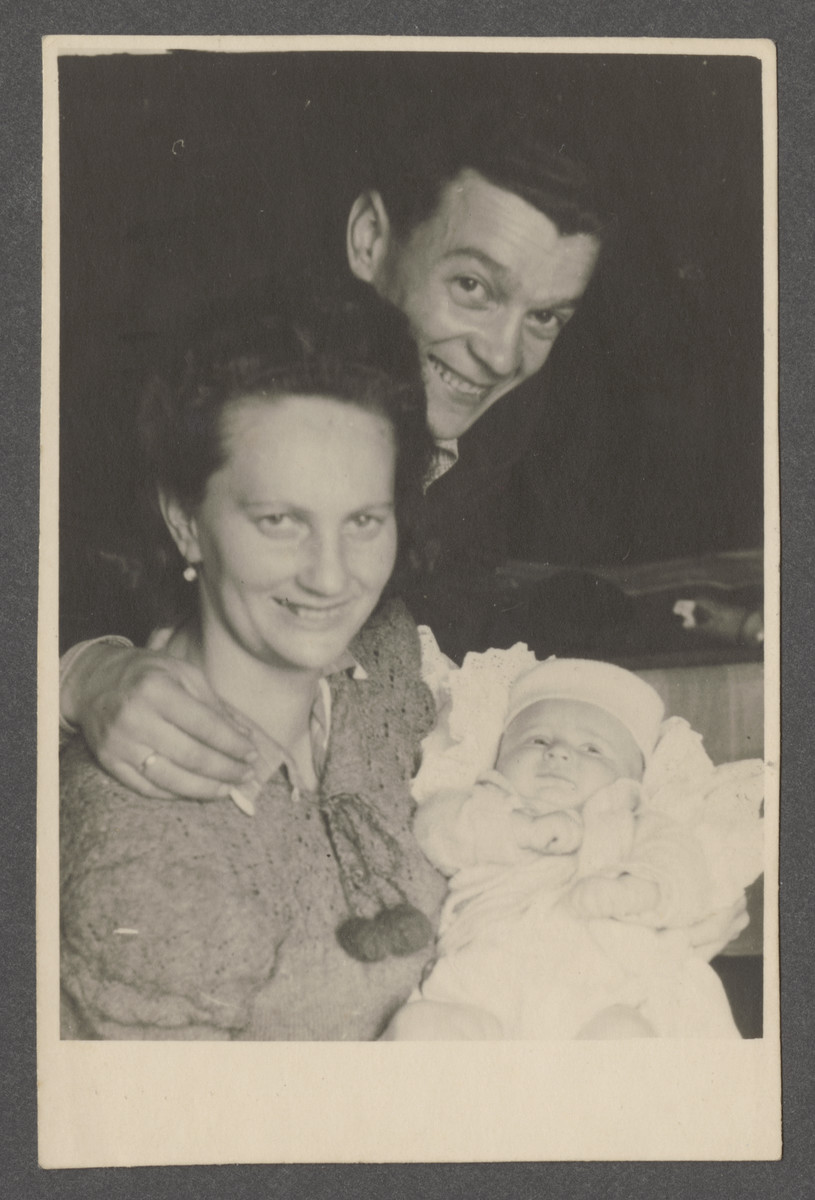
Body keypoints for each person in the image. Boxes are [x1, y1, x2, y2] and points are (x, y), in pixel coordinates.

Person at [59, 108, 618, 803]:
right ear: (370, 240)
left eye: (544, 317)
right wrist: (84, 674)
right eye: (472, 287)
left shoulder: (502, 413)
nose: (502, 356)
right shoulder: (188, 377)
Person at [60, 292, 450, 1040]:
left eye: (363, 520)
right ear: (184, 522)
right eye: (280, 521)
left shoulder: (387, 667)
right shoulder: (146, 858)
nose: (331, 578)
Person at [383, 655, 763, 1040]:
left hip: (597, 995)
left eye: (592, 749)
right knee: (424, 1027)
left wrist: (638, 889)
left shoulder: (634, 820)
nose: (559, 753)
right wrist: (520, 830)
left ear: (634, 776)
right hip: (480, 984)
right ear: (499, 755)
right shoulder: (488, 803)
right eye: (538, 739)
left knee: (625, 1035)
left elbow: (683, 867)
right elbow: (435, 829)